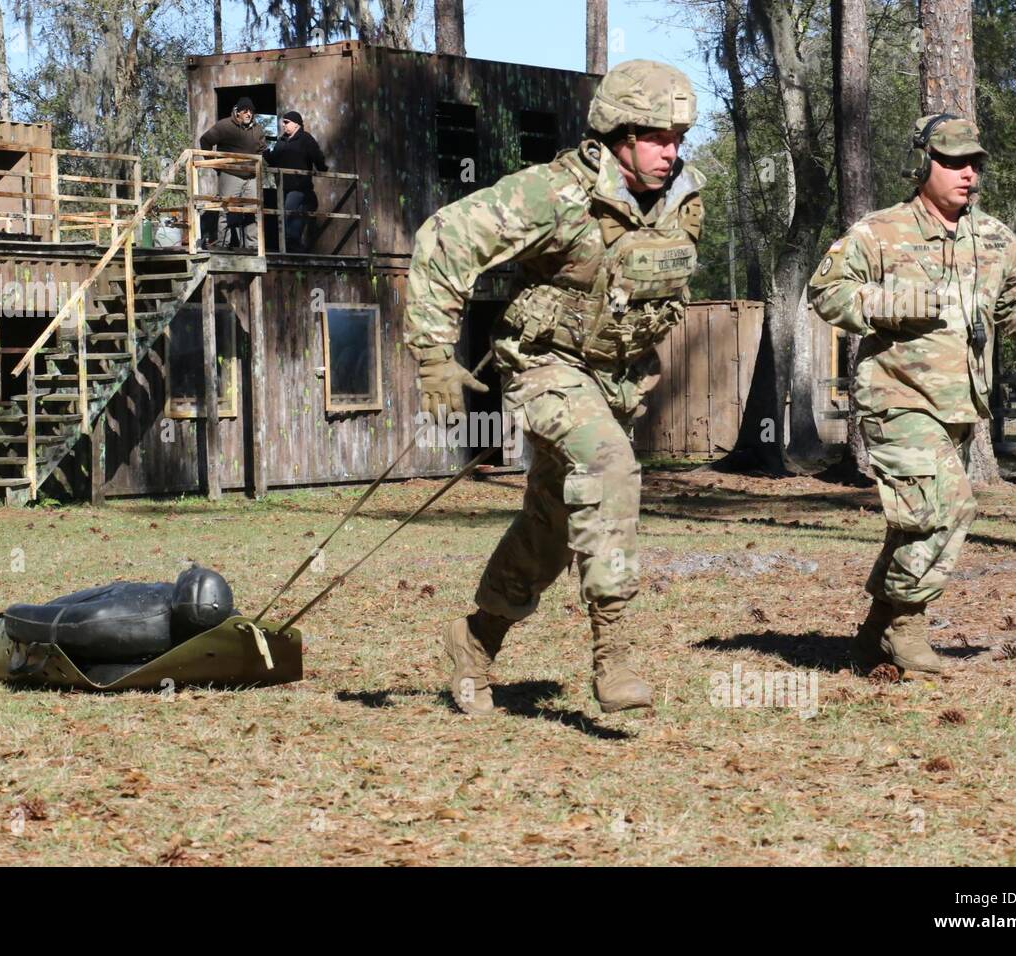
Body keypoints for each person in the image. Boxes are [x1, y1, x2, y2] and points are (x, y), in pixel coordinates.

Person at [403, 60, 705, 715]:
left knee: (551, 528)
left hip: (615, 384)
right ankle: (616, 653)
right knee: (610, 466)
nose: (670, 151)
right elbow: (445, 240)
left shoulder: (684, 198)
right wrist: (432, 353)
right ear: (618, 135)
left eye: (678, 136)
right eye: (656, 136)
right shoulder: (554, 194)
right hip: (544, 370)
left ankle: (475, 642)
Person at [809, 114, 1016, 675]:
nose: (967, 173)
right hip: (896, 398)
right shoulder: (879, 232)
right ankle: (908, 630)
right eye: (952, 161)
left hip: (960, 404)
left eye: (974, 162)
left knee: (914, 521)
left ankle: (872, 636)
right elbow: (827, 292)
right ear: (922, 164)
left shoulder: (996, 238)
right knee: (946, 508)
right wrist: (891, 303)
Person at [198, 97, 266, 249]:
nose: (249, 114)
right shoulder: (224, 126)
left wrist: (259, 166)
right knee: (226, 209)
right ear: (238, 112)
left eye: (251, 111)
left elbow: (263, 149)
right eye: (245, 111)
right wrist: (214, 164)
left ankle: (252, 246)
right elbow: (205, 140)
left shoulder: (258, 129)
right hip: (230, 174)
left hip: (251, 176)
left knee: (252, 210)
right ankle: (224, 244)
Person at [267, 110, 328, 253]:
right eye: (283, 122)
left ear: (296, 124)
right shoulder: (282, 141)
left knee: (290, 213)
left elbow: (316, 155)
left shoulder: (306, 139)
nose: (283, 125)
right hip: (283, 185)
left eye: (286, 122)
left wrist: (322, 167)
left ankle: (292, 245)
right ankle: (290, 246)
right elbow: (274, 159)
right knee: (286, 214)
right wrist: (265, 153)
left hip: (299, 186)